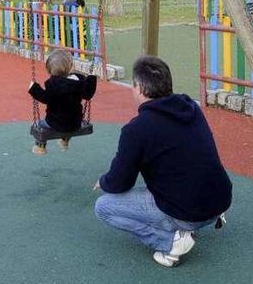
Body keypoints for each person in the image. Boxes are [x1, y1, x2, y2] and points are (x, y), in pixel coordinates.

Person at [93, 56, 231, 268]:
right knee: (170, 174)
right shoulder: (190, 107)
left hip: (191, 211)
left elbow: (120, 182)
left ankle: (171, 242)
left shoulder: (137, 129)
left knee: (104, 206)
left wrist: (104, 182)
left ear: (139, 87)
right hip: (219, 198)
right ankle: (195, 217)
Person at [28, 49, 97, 155]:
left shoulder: (52, 84)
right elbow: (88, 94)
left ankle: (40, 147)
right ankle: (64, 141)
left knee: (40, 125)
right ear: (70, 66)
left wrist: (34, 88)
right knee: (68, 124)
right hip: (75, 123)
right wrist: (91, 78)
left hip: (54, 123)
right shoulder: (79, 81)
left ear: (49, 69)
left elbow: (45, 98)